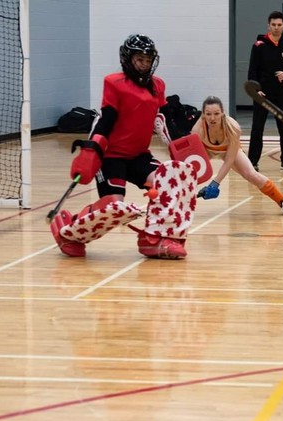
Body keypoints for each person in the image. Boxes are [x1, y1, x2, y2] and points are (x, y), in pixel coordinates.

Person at [49, 34, 200, 260]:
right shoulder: (114, 82)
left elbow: (164, 121)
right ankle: (69, 231)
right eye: (140, 59)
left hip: (139, 156)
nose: (145, 64)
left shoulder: (157, 85)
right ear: (128, 59)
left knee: (172, 183)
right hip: (111, 158)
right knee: (114, 208)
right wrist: (91, 150)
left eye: (148, 60)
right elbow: (105, 119)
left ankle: (155, 239)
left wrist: (183, 149)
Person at [191, 96, 283, 216]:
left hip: (228, 151)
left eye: (216, 113)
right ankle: (175, 205)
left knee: (252, 175)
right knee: (188, 174)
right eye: (208, 114)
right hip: (207, 150)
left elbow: (229, 160)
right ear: (203, 115)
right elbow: (194, 157)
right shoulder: (197, 130)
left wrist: (215, 183)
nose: (212, 118)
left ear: (222, 113)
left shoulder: (233, 128)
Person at [247, 10, 283, 172]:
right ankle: (252, 161)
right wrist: (256, 90)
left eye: (279, 25)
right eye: (273, 25)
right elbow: (252, 70)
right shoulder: (258, 46)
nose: (276, 28)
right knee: (257, 128)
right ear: (268, 26)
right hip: (262, 95)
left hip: (281, 94)